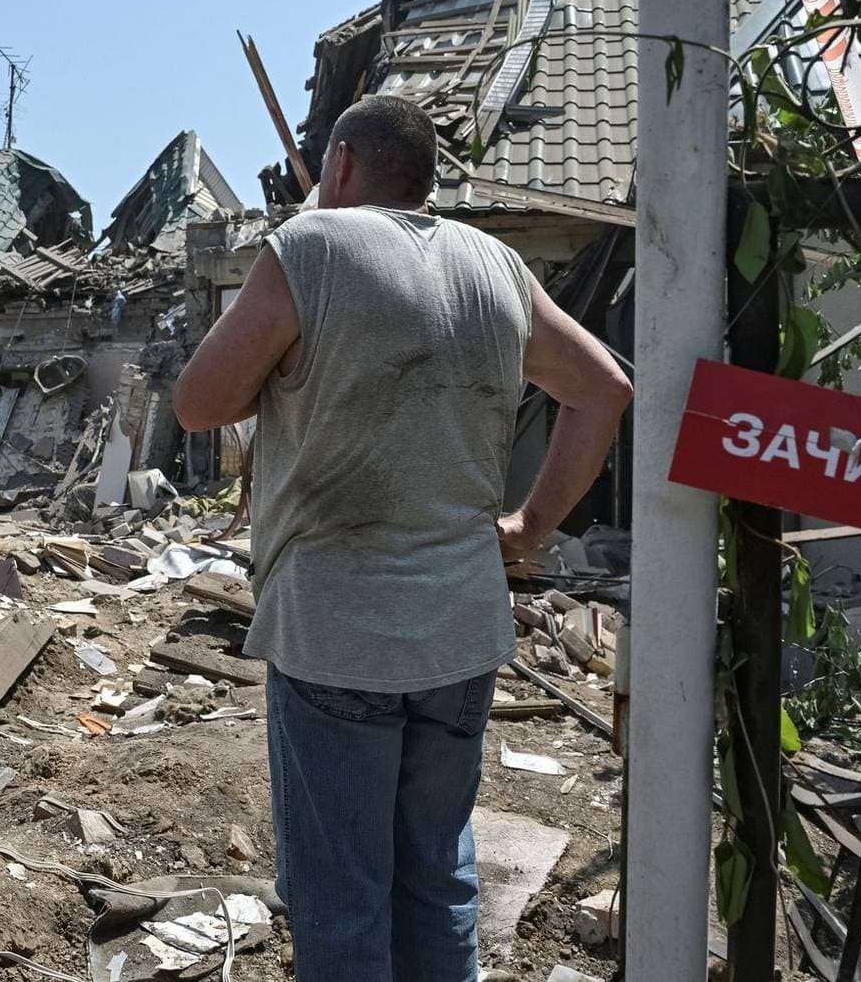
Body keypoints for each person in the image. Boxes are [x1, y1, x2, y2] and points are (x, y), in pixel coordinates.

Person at [172, 94, 633, 982]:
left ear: (340, 166)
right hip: (461, 632)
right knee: (437, 880)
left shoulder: (310, 249)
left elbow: (199, 402)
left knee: (343, 898)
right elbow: (605, 388)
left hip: (337, 630)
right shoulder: (496, 264)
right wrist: (531, 526)